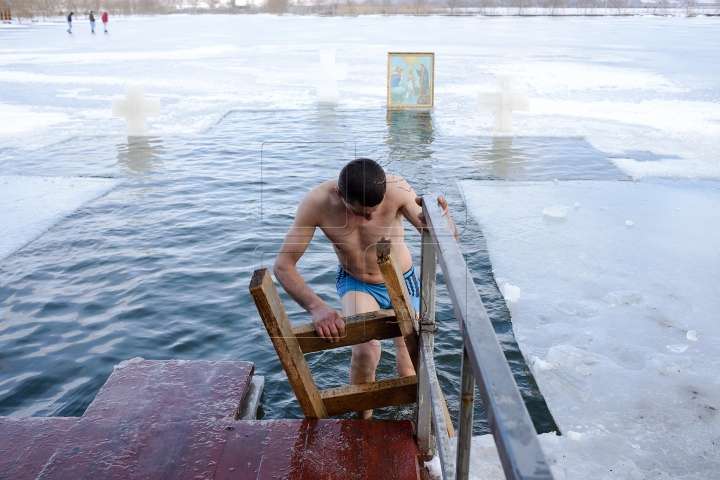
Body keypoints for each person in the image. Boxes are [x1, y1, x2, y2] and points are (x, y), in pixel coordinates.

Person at [274, 158, 458, 419]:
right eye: (361, 212)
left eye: (376, 208)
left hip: (401, 278)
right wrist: (317, 308)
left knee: (409, 361)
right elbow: (283, 266)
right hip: (357, 281)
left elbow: (447, 245)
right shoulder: (316, 203)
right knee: (365, 352)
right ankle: (363, 425)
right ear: (340, 194)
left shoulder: (398, 189)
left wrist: (443, 221)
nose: (370, 217)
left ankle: (418, 428)